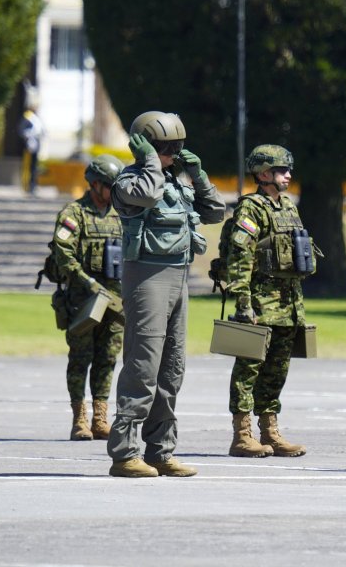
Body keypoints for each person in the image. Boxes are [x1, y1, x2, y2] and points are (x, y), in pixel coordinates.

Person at [106, 111, 225, 478]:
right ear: (144, 147)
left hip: (179, 277)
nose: (173, 153)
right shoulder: (130, 180)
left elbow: (216, 211)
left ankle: (160, 451)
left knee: (171, 369)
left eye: (177, 146)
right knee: (143, 366)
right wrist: (150, 163)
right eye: (165, 147)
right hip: (146, 277)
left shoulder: (180, 179)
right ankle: (125, 453)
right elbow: (146, 195)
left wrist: (200, 176)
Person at [225, 144, 314, 458]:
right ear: (263, 174)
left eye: (288, 170)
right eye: (281, 170)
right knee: (249, 369)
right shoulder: (251, 208)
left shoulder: (289, 207)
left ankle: (270, 431)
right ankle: (242, 434)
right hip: (260, 303)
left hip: (289, 305)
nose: (288, 175)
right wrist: (242, 302)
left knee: (278, 370)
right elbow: (240, 256)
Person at [51, 155, 125, 441]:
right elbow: (63, 253)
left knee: (107, 357)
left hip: (115, 300)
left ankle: (100, 417)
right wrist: (88, 282)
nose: (114, 192)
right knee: (81, 358)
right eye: (110, 186)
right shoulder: (74, 214)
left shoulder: (122, 216)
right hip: (83, 299)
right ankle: (79, 418)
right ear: (95, 185)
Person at [18, 103, 44, 195]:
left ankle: (33, 185)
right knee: (27, 166)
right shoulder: (28, 116)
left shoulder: (37, 118)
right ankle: (27, 186)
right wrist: (28, 136)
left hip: (36, 145)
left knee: (34, 167)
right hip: (28, 145)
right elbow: (22, 130)